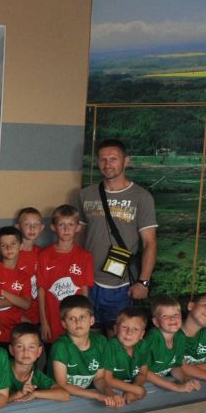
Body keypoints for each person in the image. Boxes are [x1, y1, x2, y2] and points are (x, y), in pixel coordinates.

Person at [78, 139, 157, 326]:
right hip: (87, 281)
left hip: (120, 284)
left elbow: (149, 243)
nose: (108, 164)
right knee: (86, 332)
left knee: (118, 333)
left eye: (113, 159)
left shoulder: (141, 197)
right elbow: (79, 236)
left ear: (125, 161)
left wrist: (143, 282)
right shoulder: (85, 194)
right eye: (103, 159)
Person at [50, 295, 124, 408]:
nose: (78, 322)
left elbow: (99, 378)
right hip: (58, 399)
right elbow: (62, 385)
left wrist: (110, 393)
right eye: (72, 318)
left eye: (82, 317)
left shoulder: (100, 342)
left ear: (92, 320)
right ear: (64, 324)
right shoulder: (60, 346)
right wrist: (97, 396)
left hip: (84, 394)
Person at [37, 205, 93, 344]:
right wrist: (44, 322)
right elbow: (41, 290)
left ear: (78, 227)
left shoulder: (85, 256)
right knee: (55, 351)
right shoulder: (45, 255)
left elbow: (84, 290)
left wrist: (85, 319)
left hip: (76, 321)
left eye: (71, 224)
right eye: (61, 224)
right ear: (53, 227)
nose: (66, 229)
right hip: (52, 318)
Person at [137, 296, 200, 394]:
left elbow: (174, 366)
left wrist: (186, 379)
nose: (172, 319)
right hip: (141, 383)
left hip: (160, 383)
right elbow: (143, 372)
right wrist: (176, 387)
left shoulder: (180, 337)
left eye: (176, 314)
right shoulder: (152, 338)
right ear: (156, 322)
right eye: (165, 316)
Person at [7, 323, 69, 404]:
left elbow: (64, 395)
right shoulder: (2, 369)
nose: (26, 352)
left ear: (39, 351)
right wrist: (19, 394)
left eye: (31, 347)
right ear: (11, 350)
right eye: (20, 346)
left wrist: (35, 394)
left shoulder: (37, 375)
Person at [0, 226, 33, 346]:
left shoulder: (24, 277)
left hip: (16, 332)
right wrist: (18, 300)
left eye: (13, 244)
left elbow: (27, 305)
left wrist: (3, 292)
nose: (9, 248)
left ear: (21, 246)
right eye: (3, 245)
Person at [102, 307, 149, 403]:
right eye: (124, 327)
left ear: (142, 334)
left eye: (136, 329)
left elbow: (143, 373)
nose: (129, 332)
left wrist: (134, 388)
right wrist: (136, 390)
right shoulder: (110, 346)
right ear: (115, 329)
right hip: (111, 391)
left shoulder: (143, 345)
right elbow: (107, 379)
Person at [15, 207, 44, 325]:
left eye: (36, 224)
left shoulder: (43, 254)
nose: (32, 228)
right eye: (27, 224)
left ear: (42, 228)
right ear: (18, 227)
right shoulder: (13, 254)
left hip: (38, 316)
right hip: (17, 317)